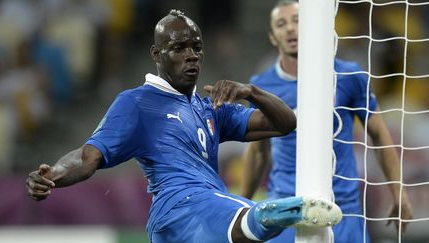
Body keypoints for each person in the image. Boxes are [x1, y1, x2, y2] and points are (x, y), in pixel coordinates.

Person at [25, 10, 343, 243]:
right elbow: (87, 157)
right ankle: (292, 210)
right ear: (156, 54)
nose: (191, 56)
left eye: (196, 47)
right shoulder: (136, 103)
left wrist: (252, 92)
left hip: (188, 225)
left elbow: (285, 123)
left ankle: (275, 214)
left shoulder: (210, 107)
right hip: (181, 209)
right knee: (253, 218)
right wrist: (51, 176)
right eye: (179, 48)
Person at [241, 1, 413, 242]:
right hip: (284, 207)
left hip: (343, 208)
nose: (290, 28)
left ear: (313, 26)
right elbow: (258, 152)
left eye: (297, 20)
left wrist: (398, 191)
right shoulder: (262, 86)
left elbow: (378, 133)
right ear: (272, 37)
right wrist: (242, 207)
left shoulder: (349, 76)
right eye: (281, 23)